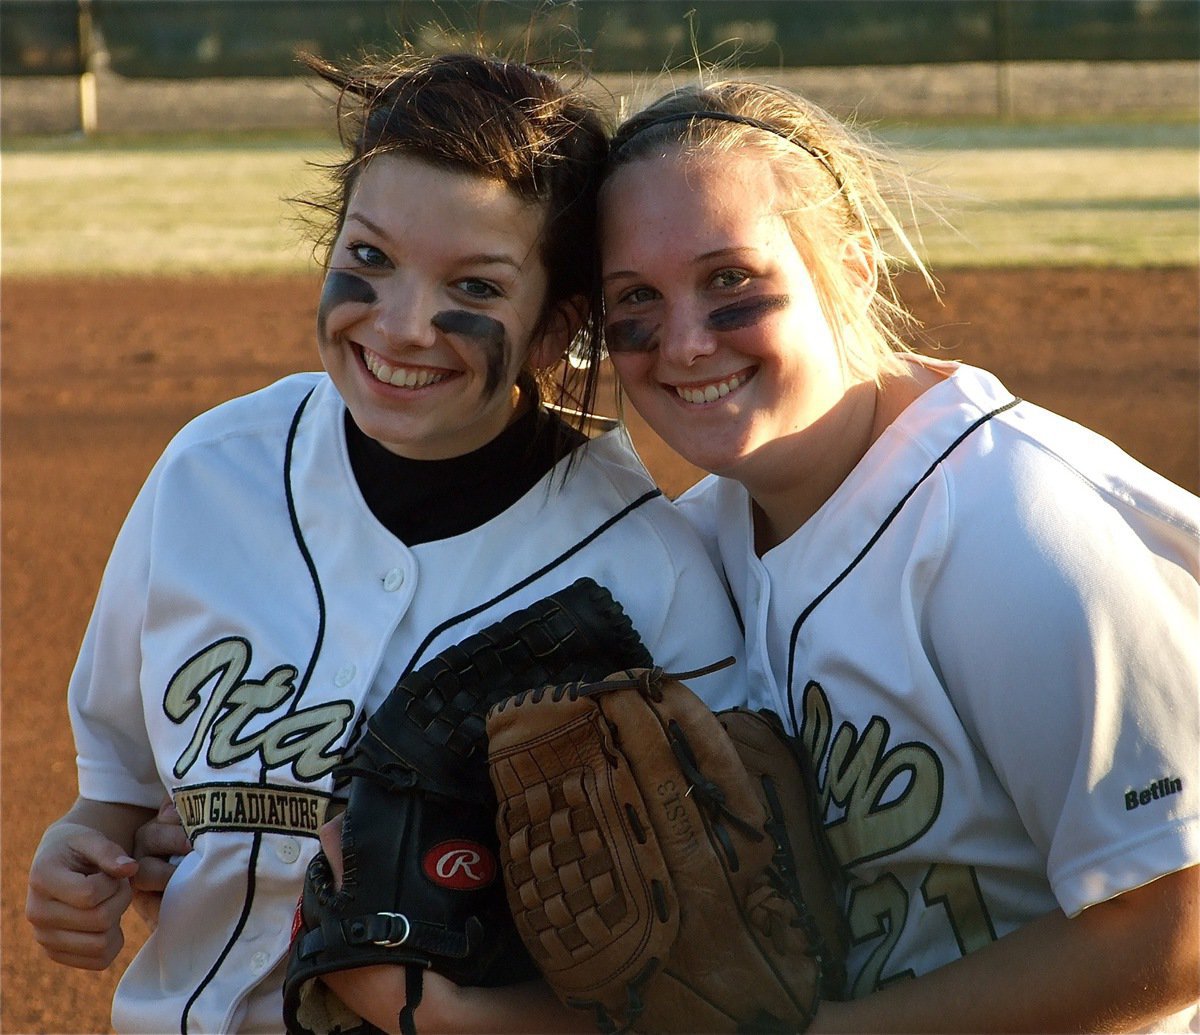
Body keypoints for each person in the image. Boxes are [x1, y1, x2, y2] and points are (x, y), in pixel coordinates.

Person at [24, 53, 747, 1035]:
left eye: (477, 287)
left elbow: (709, 976)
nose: (404, 326)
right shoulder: (212, 473)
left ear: (555, 329)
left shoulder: (645, 574)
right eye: (367, 259)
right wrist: (84, 849)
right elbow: (119, 785)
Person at [594, 79, 1200, 1032]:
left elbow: (1177, 922)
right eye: (635, 297)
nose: (682, 342)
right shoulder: (696, 541)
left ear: (853, 267)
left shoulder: (1012, 531)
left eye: (730, 281)